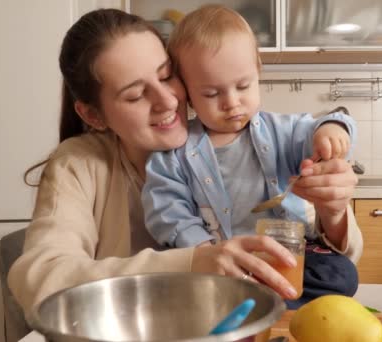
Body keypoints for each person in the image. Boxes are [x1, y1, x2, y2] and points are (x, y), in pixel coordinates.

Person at [7, 8, 306, 319]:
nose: (168, 101)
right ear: (93, 115)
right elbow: (39, 281)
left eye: (167, 76)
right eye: (136, 95)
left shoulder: (234, 138)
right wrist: (193, 261)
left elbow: (334, 246)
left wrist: (333, 212)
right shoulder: (78, 165)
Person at [141, 5, 362, 308]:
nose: (232, 103)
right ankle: (259, 303)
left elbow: (327, 123)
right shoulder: (172, 155)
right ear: (187, 93)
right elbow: (167, 213)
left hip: (290, 256)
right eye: (210, 94)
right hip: (228, 264)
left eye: (243, 86)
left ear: (258, 70)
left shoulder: (283, 131)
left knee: (342, 274)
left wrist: (332, 130)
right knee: (185, 290)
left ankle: (266, 304)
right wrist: (205, 251)